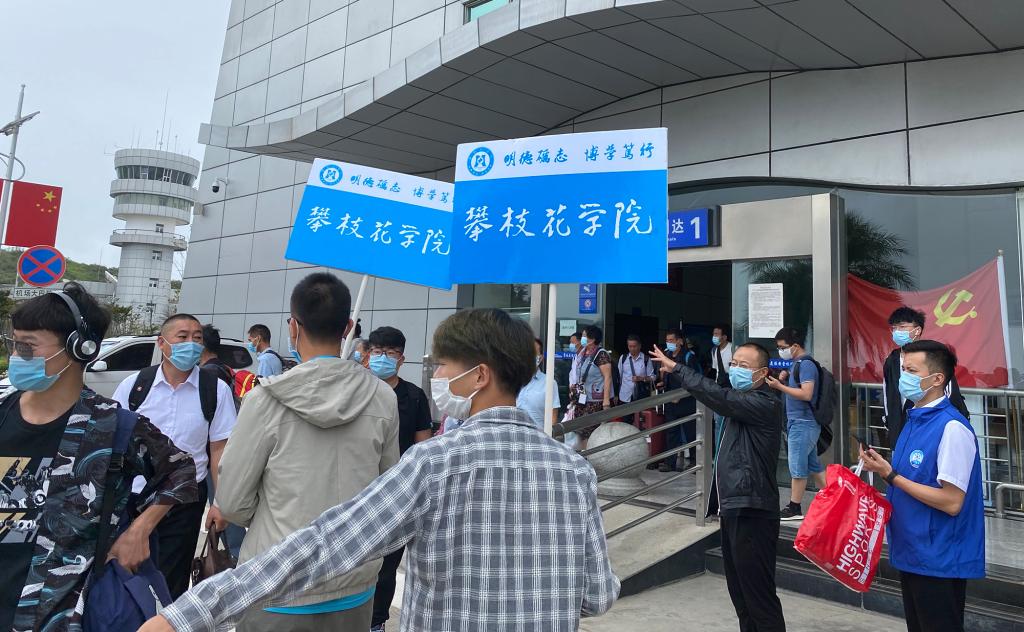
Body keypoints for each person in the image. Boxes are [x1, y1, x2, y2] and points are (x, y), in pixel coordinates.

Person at [139, 308, 619, 632]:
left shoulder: (435, 464)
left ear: (480, 375)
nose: (437, 375)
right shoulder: (574, 471)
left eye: (443, 365)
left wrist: (188, 615)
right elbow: (597, 595)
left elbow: (326, 544)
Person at [0, 283, 198, 630]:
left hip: (59, 611)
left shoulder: (110, 424)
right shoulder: (3, 413)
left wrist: (139, 531)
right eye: (14, 343)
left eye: (28, 346)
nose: (17, 356)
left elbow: (180, 470)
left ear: (80, 348)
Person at [214, 273, 400, 631]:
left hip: (275, 579)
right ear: (348, 328)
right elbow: (388, 491)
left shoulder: (263, 399)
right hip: (354, 579)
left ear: (293, 327)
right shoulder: (382, 397)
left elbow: (232, 501)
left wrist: (273, 516)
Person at [651, 341, 786, 632]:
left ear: (762, 373)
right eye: (733, 363)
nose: (735, 369)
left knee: (758, 598)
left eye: (744, 366)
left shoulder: (764, 403)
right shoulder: (742, 402)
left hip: (753, 509)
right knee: (741, 595)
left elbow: (718, 396)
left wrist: (677, 369)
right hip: (734, 507)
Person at [860, 340, 984, 632]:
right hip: (912, 552)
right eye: (903, 369)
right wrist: (881, 469)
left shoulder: (952, 428)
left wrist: (891, 475)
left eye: (912, 371)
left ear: (937, 378)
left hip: (939, 557)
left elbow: (952, 502)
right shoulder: (913, 420)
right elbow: (908, 480)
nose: (903, 377)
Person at [112, 314, 238, 599]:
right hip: (134, 498)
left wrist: (220, 502)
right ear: (162, 343)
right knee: (125, 578)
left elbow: (219, 450)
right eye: (182, 337)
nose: (191, 344)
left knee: (172, 583)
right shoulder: (135, 386)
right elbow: (113, 442)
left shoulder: (214, 389)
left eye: (197, 338)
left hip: (185, 503)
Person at [365, 325, 432, 632]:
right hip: (359, 489)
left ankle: (376, 622)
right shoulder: (357, 390)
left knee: (387, 566)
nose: (383, 358)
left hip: (397, 495)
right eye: (378, 352)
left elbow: (423, 446)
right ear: (368, 355)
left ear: (401, 359)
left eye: (390, 353)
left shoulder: (413, 397)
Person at [883, 307, 969, 449]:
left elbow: (949, 395)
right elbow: (887, 393)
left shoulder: (932, 357)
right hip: (901, 428)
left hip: (930, 427)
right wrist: (890, 421)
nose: (897, 331)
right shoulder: (891, 360)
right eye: (894, 328)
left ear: (917, 330)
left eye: (902, 327)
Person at [766, 327, 826, 521]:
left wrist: (779, 386)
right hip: (799, 422)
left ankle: (794, 507)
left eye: (782, 347)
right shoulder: (795, 365)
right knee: (813, 465)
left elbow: (807, 394)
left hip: (803, 422)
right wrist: (784, 381)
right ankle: (834, 498)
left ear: (795, 346)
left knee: (797, 468)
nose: (780, 351)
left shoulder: (805, 365)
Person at [658, 328, 701, 472]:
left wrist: (681, 395)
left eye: (672, 340)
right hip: (670, 400)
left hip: (687, 401)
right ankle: (669, 463)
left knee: (691, 433)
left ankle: (695, 462)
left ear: (680, 341)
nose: (669, 343)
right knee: (671, 432)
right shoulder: (666, 355)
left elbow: (695, 379)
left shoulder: (689, 357)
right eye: (667, 340)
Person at [568, 325, 613, 448]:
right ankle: (582, 454)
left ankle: (589, 456)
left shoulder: (601, 354)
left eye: (584, 336)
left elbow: (608, 377)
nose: (582, 338)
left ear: (592, 339)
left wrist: (606, 401)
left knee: (590, 432)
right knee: (580, 431)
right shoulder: (583, 353)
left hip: (595, 401)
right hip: (582, 400)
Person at [516, 337, 562, 430]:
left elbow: (553, 417)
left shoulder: (549, 383)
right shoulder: (511, 381)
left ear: (540, 358)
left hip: (537, 436)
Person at [617, 334, 655, 405]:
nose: (632, 349)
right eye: (630, 346)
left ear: (639, 346)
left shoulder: (646, 359)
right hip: (624, 396)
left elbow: (653, 377)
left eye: (634, 346)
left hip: (641, 396)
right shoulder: (623, 358)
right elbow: (619, 377)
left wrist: (642, 378)